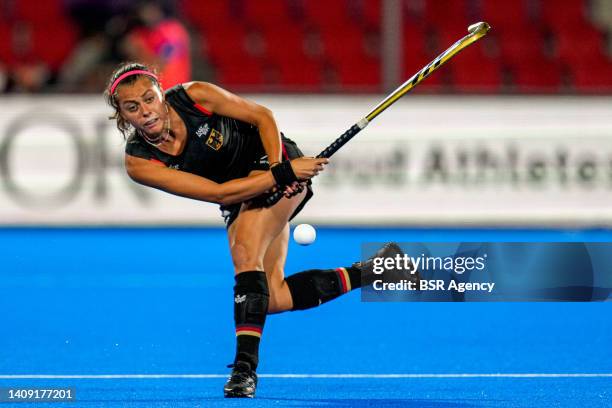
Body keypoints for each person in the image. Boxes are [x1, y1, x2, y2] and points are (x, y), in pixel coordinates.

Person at [104, 62, 410, 398]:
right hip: (241, 192)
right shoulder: (140, 162)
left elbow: (263, 117)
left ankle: (244, 369)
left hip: (271, 158)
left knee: (244, 252)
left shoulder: (195, 97)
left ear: (161, 92)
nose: (146, 112)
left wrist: (281, 167)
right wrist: (281, 177)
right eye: (133, 107)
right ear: (121, 114)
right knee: (273, 297)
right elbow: (218, 193)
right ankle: (374, 270)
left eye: (149, 99)